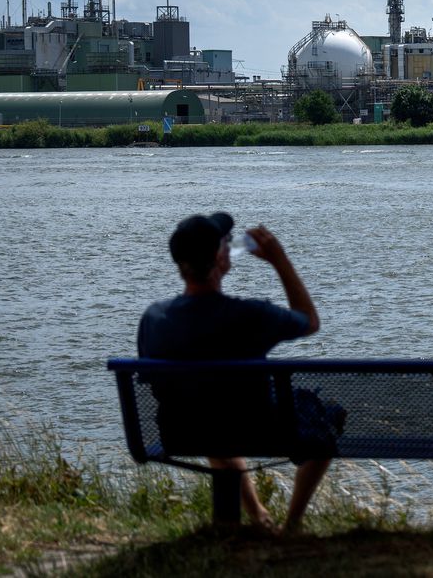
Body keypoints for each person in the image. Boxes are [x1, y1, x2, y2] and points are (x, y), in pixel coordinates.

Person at [138, 212, 330, 533]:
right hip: (259, 430)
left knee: (207, 416)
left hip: (181, 431)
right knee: (324, 419)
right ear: (219, 258)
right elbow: (309, 320)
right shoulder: (250, 314)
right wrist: (280, 261)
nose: (230, 245)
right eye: (227, 242)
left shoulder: (154, 318)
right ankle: (292, 525)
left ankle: (256, 514)